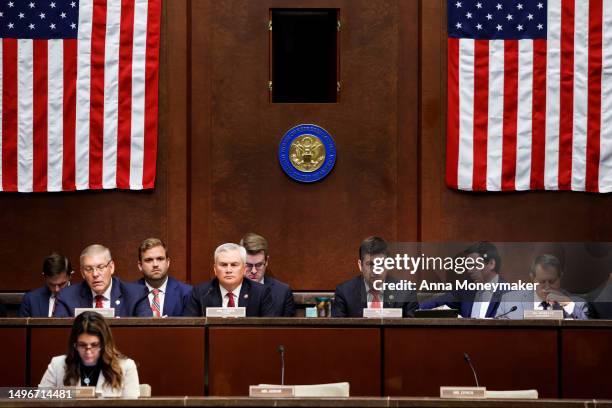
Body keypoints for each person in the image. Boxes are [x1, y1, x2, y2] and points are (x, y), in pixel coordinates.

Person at [39, 311, 140, 397]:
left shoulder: (126, 366)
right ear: (74, 344)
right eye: (82, 345)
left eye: (95, 345)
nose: (88, 352)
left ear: (105, 344)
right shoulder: (58, 365)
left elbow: (132, 407)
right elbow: (40, 400)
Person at [54, 245, 152, 318]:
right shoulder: (66, 297)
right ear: (82, 273)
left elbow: (146, 333)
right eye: (89, 269)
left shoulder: (136, 295)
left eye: (100, 267)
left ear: (111, 267)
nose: (95, 274)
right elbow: (58, 335)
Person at [332, 236, 418, 317]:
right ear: (360, 265)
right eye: (370, 264)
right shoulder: (344, 292)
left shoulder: (406, 292)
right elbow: (339, 331)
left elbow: (412, 331)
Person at [419, 242, 507, 318]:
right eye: (468, 266)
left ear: (491, 264)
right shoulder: (466, 288)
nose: (470, 270)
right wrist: (412, 310)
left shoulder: (508, 293)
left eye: (475, 265)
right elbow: (438, 301)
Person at [183, 243, 274, 316]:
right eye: (223, 265)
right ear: (215, 269)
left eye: (234, 265)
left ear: (244, 269)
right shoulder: (201, 292)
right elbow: (190, 329)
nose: (228, 270)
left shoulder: (261, 293)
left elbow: (268, 330)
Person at [495, 254, 589, 319]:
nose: (547, 286)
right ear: (532, 278)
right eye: (542, 281)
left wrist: (567, 304)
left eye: (552, 281)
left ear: (560, 277)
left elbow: (588, 332)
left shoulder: (578, 304)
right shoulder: (510, 301)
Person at [239, 233, 295, 317]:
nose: (254, 271)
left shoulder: (282, 292)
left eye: (259, 265)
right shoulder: (230, 290)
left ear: (267, 261)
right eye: (248, 265)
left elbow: (288, 329)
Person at [134, 238, 192, 317]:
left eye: (160, 259)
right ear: (140, 266)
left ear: (168, 262)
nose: (155, 264)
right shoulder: (130, 293)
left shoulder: (186, 293)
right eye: (149, 260)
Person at [19, 253, 74, 317]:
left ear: (70, 276)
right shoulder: (30, 300)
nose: (57, 289)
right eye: (51, 284)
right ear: (45, 277)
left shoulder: (82, 298)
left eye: (61, 284)